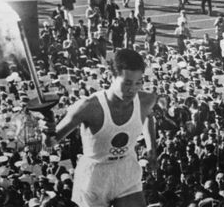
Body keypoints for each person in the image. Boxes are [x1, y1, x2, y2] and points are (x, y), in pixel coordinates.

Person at [51, 49, 158, 207]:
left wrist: (151, 149)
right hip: (94, 176)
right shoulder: (88, 107)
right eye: (127, 83)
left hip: (126, 169)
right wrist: (46, 128)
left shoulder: (146, 100)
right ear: (111, 77)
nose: (132, 89)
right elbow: (51, 140)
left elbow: (148, 117)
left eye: (138, 82)